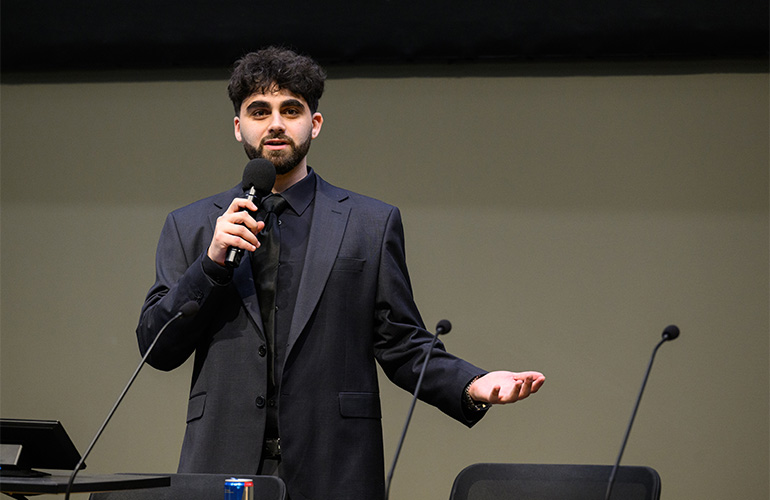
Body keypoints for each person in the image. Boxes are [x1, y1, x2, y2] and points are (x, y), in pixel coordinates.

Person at [137, 46, 545, 500]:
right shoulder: (192, 225)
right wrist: (211, 264)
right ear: (238, 128)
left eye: (290, 110)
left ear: (314, 124)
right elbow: (157, 346)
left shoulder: (369, 223)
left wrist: (471, 383)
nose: (275, 124)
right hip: (222, 468)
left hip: (335, 467)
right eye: (259, 111)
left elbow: (400, 340)